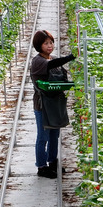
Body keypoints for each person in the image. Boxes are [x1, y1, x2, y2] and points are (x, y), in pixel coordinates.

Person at [30, 30, 75, 179]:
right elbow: (52, 65)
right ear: (39, 45)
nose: (50, 46)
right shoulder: (38, 61)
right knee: (43, 136)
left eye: (51, 42)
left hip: (55, 103)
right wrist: (70, 57)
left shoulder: (53, 59)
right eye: (46, 43)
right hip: (42, 105)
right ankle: (41, 167)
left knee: (54, 134)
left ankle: (52, 162)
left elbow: (61, 76)